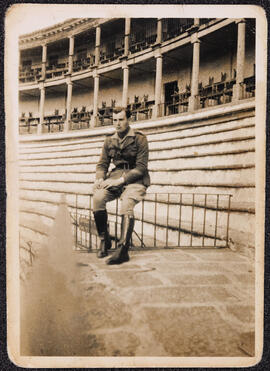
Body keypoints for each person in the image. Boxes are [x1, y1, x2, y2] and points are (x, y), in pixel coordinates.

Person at [92, 106, 150, 265]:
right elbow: (102, 164)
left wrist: (121, 181)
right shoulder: (109, 140)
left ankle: (123, 249)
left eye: (121, 120)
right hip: (115, 177)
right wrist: (99, 178)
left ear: (128, 120)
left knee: (127, 203)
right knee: (98, 198)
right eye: (115, 120)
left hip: (135, 179)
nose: (117, 124)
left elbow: (141, 167)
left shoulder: (139, 139)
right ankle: (105, 240)